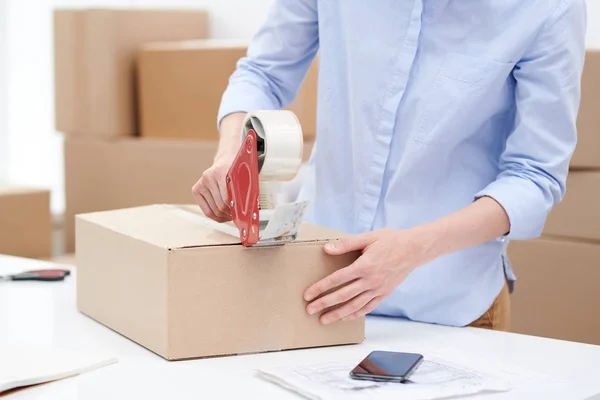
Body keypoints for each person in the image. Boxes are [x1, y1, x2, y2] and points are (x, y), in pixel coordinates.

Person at [192, 1, 586, 331]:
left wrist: (413, 249)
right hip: (317, 290)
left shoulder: (547, 8)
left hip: (450, 309)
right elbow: (263, 73)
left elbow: (536, 175)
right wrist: (232, 153)